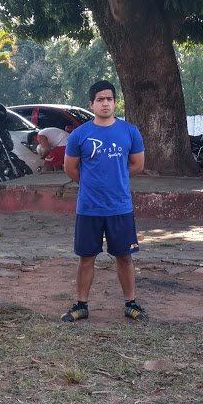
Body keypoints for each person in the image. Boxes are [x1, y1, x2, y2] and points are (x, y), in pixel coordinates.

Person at [60, 80, 147, 322]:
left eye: (109, 98)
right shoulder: (80, 135)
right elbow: (70, 168)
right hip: (89, 207)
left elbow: (137, 164)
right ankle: (81, 305)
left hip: (120, 206)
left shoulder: (129, 131)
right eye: (100, 99)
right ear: (91, 104)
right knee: (86, 257)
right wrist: (92, 182)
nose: (105, 103)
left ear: (115, 102)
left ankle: (130, 303)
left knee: (124, 257)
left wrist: (115, 177)